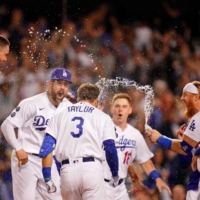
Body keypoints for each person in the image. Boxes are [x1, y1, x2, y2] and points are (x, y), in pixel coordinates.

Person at [1, 67, 73, 200]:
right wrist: (17, 148)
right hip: (26, 158)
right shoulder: (31, 103)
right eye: (59, 83)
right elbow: (7, 126)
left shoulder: (68, 107)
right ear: (50, 84)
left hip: (48, 161)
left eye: (65, 84)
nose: (62, 87)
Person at [39, 83, 119, 200]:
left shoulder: (59, 116)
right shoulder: (103, 117)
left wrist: (47, 178)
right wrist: (115, 173)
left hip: (67, 172)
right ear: (96, 100)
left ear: (79, 97)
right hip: (92, 170)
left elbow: (45, 149)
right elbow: (110, 149)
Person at [102, 93, 172, 200]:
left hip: (120, 186)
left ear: (130, 110)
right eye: (117, 106)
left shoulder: (134, 134)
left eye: (124, 106)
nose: (120, 109)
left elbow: (145, 162)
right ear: (112, 109)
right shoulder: (101, 129)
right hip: (100, 185)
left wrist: (157, 179)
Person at [145, 81, 200, 200]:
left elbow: (183, 147)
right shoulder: (192, 121)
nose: (181, 98)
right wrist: (184, 144)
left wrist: (160, 138)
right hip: (196, 178)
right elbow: (185, 162)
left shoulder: (198, 118)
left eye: (185, 95)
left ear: (196, 97)